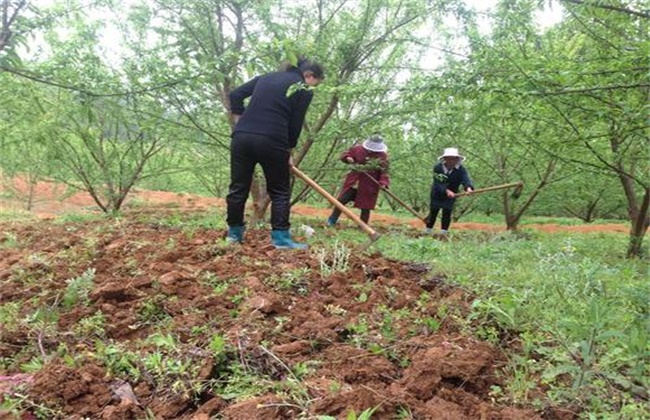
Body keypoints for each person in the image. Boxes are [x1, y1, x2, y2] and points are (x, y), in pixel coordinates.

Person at [226, 57, 324, 249]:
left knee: (238, 187)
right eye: (315, 83)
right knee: (280, 191)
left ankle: (234, 236)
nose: (313, 87)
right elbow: (295, 124)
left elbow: (236, 95)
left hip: (242, 137)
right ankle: (281, 239)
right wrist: (288, 150)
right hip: (273, 140)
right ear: (309, 75)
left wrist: (240, 120)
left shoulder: (266, 77)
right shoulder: (302, 88)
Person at [327, 135, 390, 226]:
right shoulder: (358, 149)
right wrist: (347, 158)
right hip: (354, 182)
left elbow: (384, 172)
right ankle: (332, 220)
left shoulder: (382, 156)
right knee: (341, 201)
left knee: (365, 207)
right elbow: (345, 154)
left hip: (369, 185)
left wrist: (383, 183)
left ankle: (363, 226)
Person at [425, 147, 474, 234]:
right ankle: (428, 230)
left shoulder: (461, 170)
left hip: (452, 194)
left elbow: (465, 179)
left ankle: (444, 232)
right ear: (445, 159)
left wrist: (468, 188)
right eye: (449, 158)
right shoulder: (438, 168)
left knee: (447, 211)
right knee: (434, 210)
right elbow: (438, 183)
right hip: (437, 193)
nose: (451, 161)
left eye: (454, 159)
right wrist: (447, 191)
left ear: (457, 159)